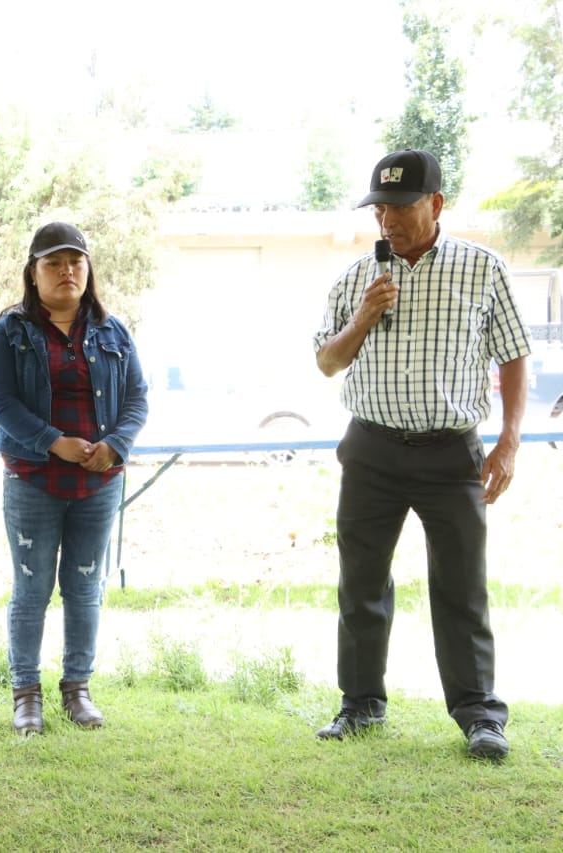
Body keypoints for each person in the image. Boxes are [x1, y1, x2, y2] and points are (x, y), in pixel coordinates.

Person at [312, 149, 532, 760]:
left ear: (436, 204)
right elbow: (328, 361)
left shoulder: (482, 270)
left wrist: (510, 442)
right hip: (372, 450)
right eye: (380, 209)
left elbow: (515, 356)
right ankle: (360, 705)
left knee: (462, 587)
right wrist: (363, 317)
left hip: (450, 454)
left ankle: (479, 716)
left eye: (402, 208)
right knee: (361, 583)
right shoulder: (356, 279)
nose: (389, 222)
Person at [0, 222, 148, 735]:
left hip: (99, 483)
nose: (66, 271)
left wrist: (115, 446)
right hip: (33, 478)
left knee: (85, 587)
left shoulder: (112, 331)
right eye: (53, 263)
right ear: (33, 273)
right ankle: (25, 693)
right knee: (31, 589)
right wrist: (55, 441)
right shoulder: (10, 331)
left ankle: (77, 689)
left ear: (88, 269)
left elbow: (138, 397)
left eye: (75, 261)